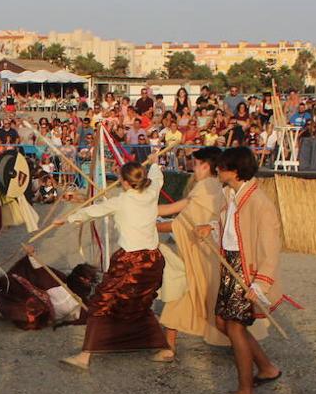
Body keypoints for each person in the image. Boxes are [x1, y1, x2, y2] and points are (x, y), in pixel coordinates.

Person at [53, 160, 170, 370]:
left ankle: (85, 355)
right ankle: (164, 348)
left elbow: (93, 211)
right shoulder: (152, 192)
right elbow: (157, 178)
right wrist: (154, 163)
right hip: (153, 260)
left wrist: (67, 218)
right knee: (140, 302)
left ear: (125, 183)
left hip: (131, 262)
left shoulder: (121, 200)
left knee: (101, 303)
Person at [211, 146, 283, 394]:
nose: (217, 171)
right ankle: (266, 368)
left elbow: (270, 246)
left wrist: (262, 282)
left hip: (246, 270)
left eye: (221, 167)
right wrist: (207, 228)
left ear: (234, 171)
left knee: (234, 326)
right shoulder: (231, 194)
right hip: (230, 265)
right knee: (222, 322)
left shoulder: (259, 202)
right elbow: (229, 229)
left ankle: (245, 391)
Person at [157, 146, 227, 357]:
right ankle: (169, 345)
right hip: (199, 251)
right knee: (183, 291)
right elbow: (176, 209)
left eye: (196, 164)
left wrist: (151, 226)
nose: (193, 168)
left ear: (206, 166)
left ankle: (242, 343)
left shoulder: (207, 188)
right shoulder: (208, 188)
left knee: (200, 294)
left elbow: (183, 224)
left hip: (202, 253)